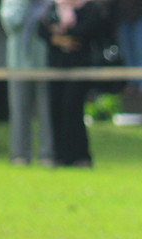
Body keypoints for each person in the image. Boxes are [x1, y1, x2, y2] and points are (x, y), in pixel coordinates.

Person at [39, 0, 109, 167]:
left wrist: (66, 33)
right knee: (55, 107)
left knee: (72, 108)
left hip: (78, 66)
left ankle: (79, 155)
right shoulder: (52, 8)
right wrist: (56, 39)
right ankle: (59, 156)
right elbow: (41, 29)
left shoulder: (88, 7)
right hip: (56, 66)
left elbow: (92, 28)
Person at [1, 0, 55, 166]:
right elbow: (12, 24)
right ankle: (20, 155)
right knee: (19, 110)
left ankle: (48, 155)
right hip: (18, 63)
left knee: (47, 111)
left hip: (46, 62)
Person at [115, 0, 142, 97]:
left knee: (141, 51)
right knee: (126, 53)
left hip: (140, 17)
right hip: (122, 18)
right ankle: (132, 83)